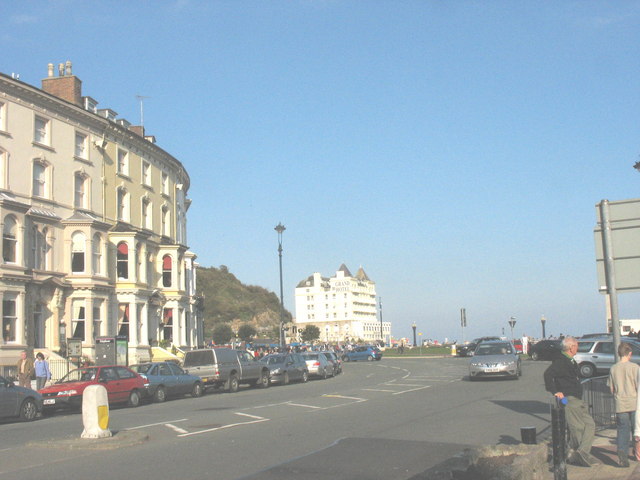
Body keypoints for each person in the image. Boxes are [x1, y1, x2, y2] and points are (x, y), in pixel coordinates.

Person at [543, 336, 597, 467]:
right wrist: (556, 392)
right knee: (577, 428)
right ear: (571, 347)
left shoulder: (570, 360)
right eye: (577, 345)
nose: (577, 347)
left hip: (577, 399)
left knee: (590, 424)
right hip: (569, 398)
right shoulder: (561, 361)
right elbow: (547, 374)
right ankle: (578, 455)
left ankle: (581, 452)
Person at [608, 342, 639, 467]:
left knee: (622, 430)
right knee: (635, 429)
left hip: (620, 403)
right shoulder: (635, 367)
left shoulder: (613, 368)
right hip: (634, 403)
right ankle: (637, 451)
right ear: (629, 354)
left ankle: (622, 453)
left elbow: (612, 389)